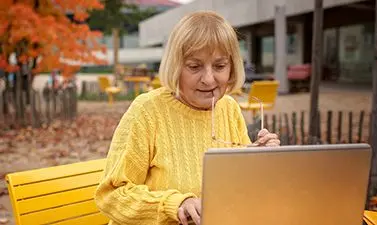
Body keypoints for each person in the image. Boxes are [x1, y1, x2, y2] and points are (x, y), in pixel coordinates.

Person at [94, 10, 281, 225]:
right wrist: (175, 205)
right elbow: (111, 196)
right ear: (176, 66)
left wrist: (260, 161)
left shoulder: (229, 108)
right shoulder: (147, 111)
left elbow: (238, 192)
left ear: (231, 68)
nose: (209, 79)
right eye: (194, 66)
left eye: (220, 66)